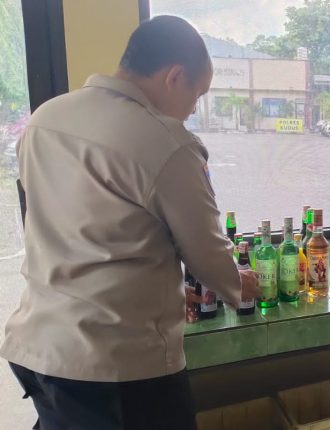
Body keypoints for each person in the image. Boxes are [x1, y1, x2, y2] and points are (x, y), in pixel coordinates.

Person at [1, 16, 259, 430]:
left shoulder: (46, 118)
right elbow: (206, 252)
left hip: (38, 348)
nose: (194, 109)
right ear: (175, 77)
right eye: (197, 94)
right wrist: (239, 282)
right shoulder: (164, 141)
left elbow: (88, 230)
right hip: (113, 367)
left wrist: (164, 294)